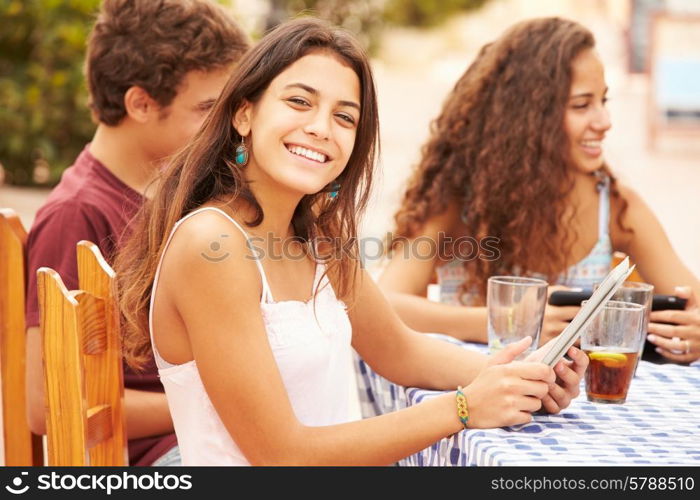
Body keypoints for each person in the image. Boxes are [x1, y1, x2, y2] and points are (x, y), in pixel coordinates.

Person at [113, 17, 587, 466]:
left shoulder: (317, 236)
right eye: (299, 102)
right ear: (244, 114)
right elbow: (282, 455)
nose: (321, 128)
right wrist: (462, 409)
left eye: (345, 117)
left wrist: (518, 376)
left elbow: (402, 351)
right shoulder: (211, 245)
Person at [379, 17, 700, 363]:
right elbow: (387, 303)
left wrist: (694, 331)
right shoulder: (461, 203)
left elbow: (691, 302)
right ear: (527, 119)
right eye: (581, 105)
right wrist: (510, 320)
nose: (604, 122)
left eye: (603, 101)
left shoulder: (615, 206)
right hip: (476, 401)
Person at [25, 0, 249, 466]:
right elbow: (47, 405)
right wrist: (218, 406)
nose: (226, 128)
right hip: (160, 456)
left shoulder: (179, 189)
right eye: (208, 108)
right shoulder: (76, 214)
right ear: (141, 103)